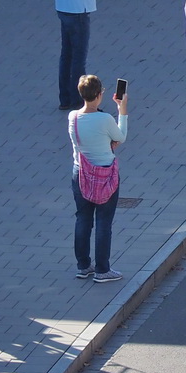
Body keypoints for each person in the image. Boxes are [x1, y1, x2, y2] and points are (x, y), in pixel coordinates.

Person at [67, 73, 127, 285]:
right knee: (104, 222)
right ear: (100, 94)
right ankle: (103, 269)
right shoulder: (105, 119)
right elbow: (121, 136)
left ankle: (83, 266)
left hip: (80, 173)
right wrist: (122, 108)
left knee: (83, 219)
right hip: (105, 175)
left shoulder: (72, 117)